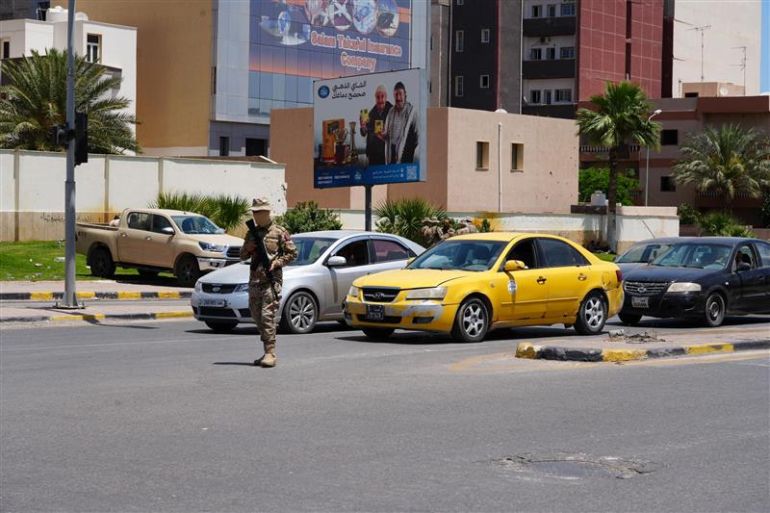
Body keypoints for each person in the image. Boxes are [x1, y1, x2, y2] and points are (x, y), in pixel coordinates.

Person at [239, 198, 297, 368]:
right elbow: (242, 256)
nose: (256, 215)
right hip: (255, 280)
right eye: (254, 212)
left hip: (271, 280)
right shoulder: (251, 233)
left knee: (267, 316)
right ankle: (266, 348)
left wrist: (277, 262)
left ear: (267, 212)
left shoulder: (279, 232)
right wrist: (248, 248)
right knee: (256, 315)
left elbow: (292, 254)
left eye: (259, 212)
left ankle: (270, 352)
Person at [382, 81, 419, 164]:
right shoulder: (391, 112)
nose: (398, 98)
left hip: (406, 156)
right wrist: (383, 135)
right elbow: (386, 133)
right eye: (396, 95)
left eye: (400, 94)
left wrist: (409, 148)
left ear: (405, 94)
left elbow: (418, 136)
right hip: (391, 156)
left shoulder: (412, 112)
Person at [359, 84, 392, 166]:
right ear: (375, 98)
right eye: (378, 97)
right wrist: (363, 126)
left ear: (386, 97)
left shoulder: (392, 111)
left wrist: (385, 134)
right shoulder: (370, 113)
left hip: (387, 154)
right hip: (373, 155)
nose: (380, 100)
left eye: (382, 96)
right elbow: (364, 133)